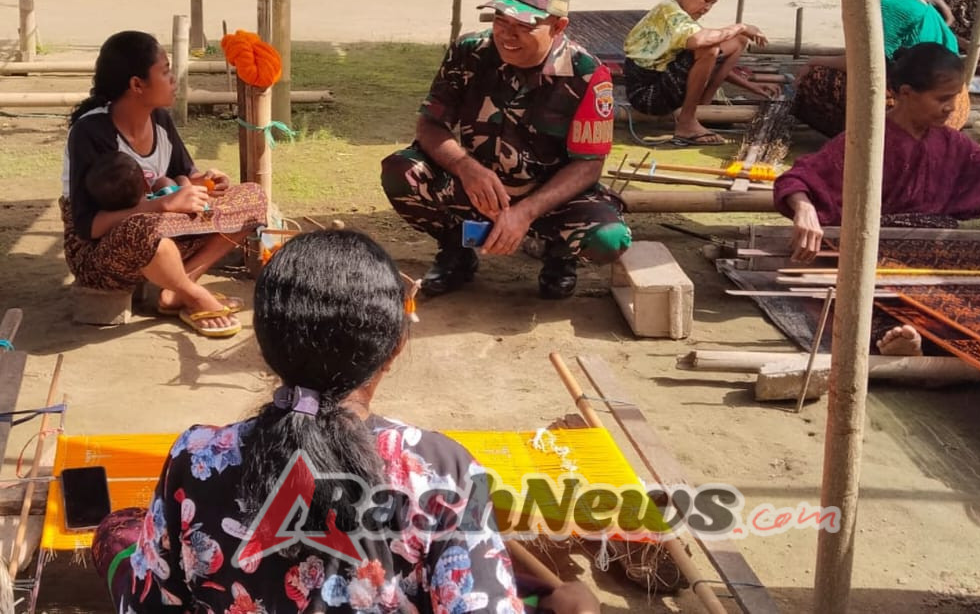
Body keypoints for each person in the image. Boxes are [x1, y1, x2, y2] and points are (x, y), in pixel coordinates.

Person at [90, 229, 601, 613]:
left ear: (265, 348)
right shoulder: (440, 470)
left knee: (119, 531)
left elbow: (151, 603)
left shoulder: (195, 456)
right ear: (396, 347)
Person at [775, 43, 980, 353]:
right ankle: (908, 337)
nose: (951, 108)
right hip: (876, 255)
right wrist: (804, 208)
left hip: (936, 252)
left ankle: (928, 335)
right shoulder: (865, 139)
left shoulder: (951, 143)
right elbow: (798, 178)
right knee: (880, 299)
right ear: (906, 93)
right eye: (943, 99)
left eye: (955, 98)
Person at [381, 0, 631, 300]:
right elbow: (430, 123)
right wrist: (466, 168)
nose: (506, 34)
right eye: (501, 20)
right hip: (478, 188)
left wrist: (526, 211)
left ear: (558, 27)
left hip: (550, 197)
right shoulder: (468, 52)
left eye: (524, 25)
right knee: (402, 171)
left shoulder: (588, 75)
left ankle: (559, 255)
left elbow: (588, 164)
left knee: (609, 239)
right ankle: (456, 250)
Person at [63, 31, 266, 338]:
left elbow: (183, 177)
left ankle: (177, 287)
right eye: (166, 71)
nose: (174, 79)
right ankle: (194, 295)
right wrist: (159, 205)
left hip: (167, 231)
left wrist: (206, 184)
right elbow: (89, 227)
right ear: (136, 84)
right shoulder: (90, 133)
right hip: (103, 254)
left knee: (253, 198)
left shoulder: (160, 119)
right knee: (145, 229)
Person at [793, 0, 968, 138]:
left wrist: (813, 61)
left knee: (816, 77)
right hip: (956, 105)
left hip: (924, 108)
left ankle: (868, 139)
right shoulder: (925, 3)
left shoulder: (892, 5)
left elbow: (863, 63)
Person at [623, 0, 774, 146]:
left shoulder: (682, 19)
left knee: (738, 41)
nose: (707, 8)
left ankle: (702, 105)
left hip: (663, 83)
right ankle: (687, 121)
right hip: (647, 94)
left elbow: (705, 64)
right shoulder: (669, 10)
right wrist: (740, 26)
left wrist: (750, 86)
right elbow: (701, 45)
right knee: (709, 46)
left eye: (713, 3)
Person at [85, 151, 178, 212]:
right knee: (166, 182)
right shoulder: (165, 198)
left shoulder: (112, 224)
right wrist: (183, 180)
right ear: (146, 185)